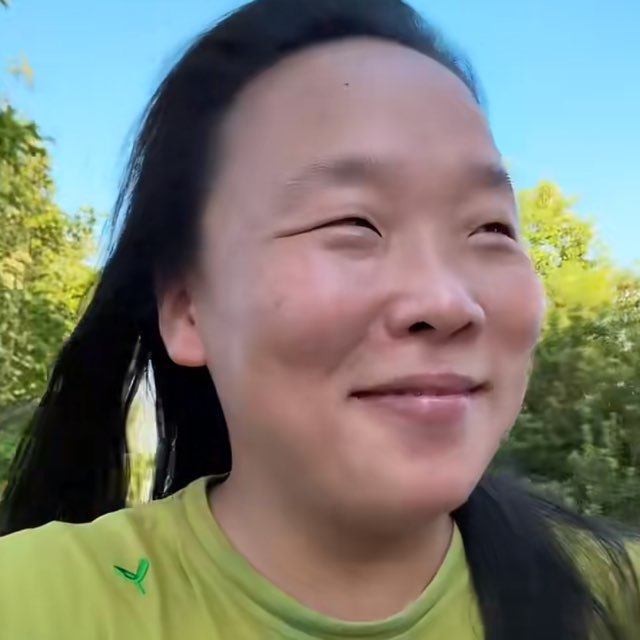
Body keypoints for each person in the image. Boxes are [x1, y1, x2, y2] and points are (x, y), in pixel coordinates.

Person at [0, 0, 638, 638]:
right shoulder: (34, 602)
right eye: (352, 222)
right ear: (188, 307)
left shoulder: (612, 599)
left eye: (491, 227)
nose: (447, 303)